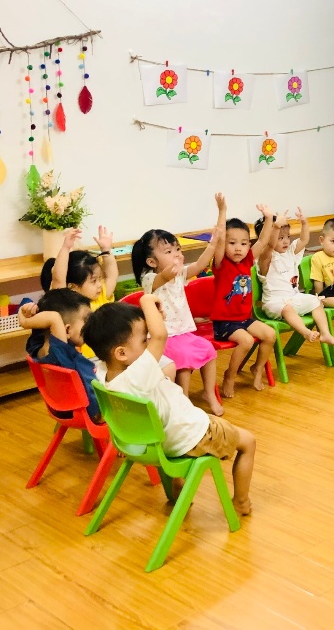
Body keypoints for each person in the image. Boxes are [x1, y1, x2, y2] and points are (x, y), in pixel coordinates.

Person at [84, 296, 256, 516]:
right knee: (248, 442)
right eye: (144, 341)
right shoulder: (136, 377)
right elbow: (160, 336)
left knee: (199, 421)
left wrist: (148, 324)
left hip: (154, 444)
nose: (149, 344)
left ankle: (178, 489)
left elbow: (150, 337)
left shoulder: (103, 373)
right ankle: (241, 502)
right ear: (121, 353)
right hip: (189, 436)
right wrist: (147, 300)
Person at [132, 227, 221, 415]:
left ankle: (209, 393)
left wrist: (213, 244)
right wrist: (174, 267)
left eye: (178, 249)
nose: (176, 254)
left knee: (209, 350)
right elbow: (165, 276)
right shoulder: (149, 279)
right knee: (184, 358)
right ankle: (183, 400)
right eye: (169, 252)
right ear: (151, 262)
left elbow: (200, 265)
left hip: (183, 333)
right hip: (163, 337)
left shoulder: (180, 274)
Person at [211, 193, 278, 397]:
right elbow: (219, 239)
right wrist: (222, 211)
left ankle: (257, 368)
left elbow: (264, 240)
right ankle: (229, 376)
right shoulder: (221, 264)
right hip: (225, 323)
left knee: (270, 335)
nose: (238, 248)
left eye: (243, 243)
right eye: (232, 243)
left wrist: (268, 218)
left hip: (244, 319)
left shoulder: (247, 260)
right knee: (247, 341)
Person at [255, 207, 334, 347]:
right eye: (280, 238)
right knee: (287, 309)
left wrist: (304, 223)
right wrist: (276, 226)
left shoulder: (290, 252)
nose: (286, 241)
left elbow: (304, 239)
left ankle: (325, 334)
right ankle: (305, 332)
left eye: (287, 237)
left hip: (293, 298)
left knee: (316, 301)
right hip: (274, 303)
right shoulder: (265, 257)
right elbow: (270, 245)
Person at [40, 226, 118, 360]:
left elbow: (112, 275)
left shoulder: (101, 296)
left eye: (99, 279)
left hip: (109, 356)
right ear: (73, 287)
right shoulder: (67, 304)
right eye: (93, 281)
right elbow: (58, 278)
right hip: (85, 360)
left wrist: (106, 251)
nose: (100, 285)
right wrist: (65, 248)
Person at [18, 288, 98, 421]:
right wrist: (24, 322)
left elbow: (46, 323)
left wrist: (25, 310)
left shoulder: (39, 348)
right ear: (66, 330)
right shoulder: (60, 353)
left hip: (65, 409)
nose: (91, 326)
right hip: (92, 413)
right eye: (86, 321)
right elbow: (54, 318)